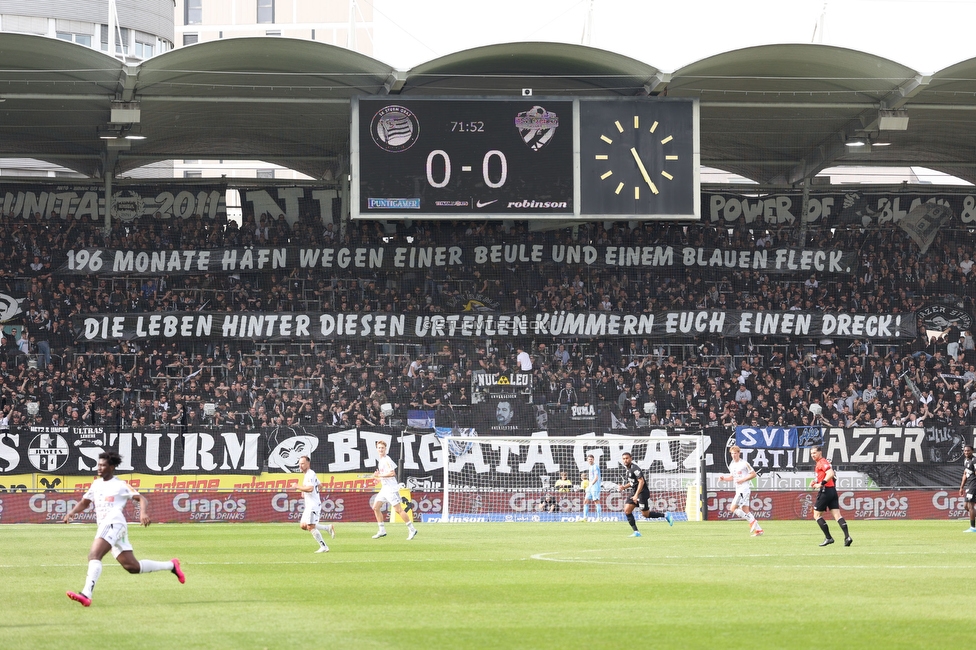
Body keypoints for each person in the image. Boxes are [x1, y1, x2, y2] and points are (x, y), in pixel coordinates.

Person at [63, 450, 185, 607]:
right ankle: (172, 565)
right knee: (132, 567)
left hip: (114, 522)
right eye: (98, 465)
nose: (99, 468)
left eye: (103, 465)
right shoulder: (96, 484)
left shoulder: (120, 485)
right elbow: (85, 502)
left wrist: (143, 513)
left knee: (94, 555)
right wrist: (72, 513)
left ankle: (86, 594)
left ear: (112, 467)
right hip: (108, 526)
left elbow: (141, 498)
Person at [618, 451, 673, 537]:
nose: (625, 460)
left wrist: (636, 495)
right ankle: (636, 532)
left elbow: (641, 481)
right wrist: (624, 487)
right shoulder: (627, 470)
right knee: (627, 510)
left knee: (645, 514)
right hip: (634, 492)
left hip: (642, 493)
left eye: (627, 458)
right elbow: (633, 482)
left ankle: (665, 515)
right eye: (624, 459)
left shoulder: (635, 468)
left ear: (631, 459)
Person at [371, 440, 418, 540]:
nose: (380, 450)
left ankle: (412, 529)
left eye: (382, 448)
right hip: (384, 489)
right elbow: (384, 476)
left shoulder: (387, 459)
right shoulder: (381, 461)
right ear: (376, 449)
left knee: (398, 510)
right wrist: (378, 478)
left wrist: (379, 475)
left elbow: (392, 473)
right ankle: (382, 530)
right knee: (376, 507)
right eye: (379, 448)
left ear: (385, 449)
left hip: (391, 489)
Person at [810, 445, 852, 547]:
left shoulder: (822, 462)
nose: (813, 455)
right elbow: (827, 475)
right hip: (832, 490)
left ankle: (829, 538)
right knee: (837, 515)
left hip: (825, 491)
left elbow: (830, 473)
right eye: (811, 453)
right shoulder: (820, 463)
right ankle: (847, 537)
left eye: (814, 453)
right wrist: (816, 481)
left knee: (816, 515)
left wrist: (821, 484)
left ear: (820, 452)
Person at [719, 445, 763, 536]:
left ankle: (752, 521)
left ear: (739, 453)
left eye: (735, 453)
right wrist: (724, 479)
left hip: (744, 489)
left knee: (733, 508)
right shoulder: (732, 464)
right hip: (738, 489)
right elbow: (732, 477)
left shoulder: (744, 463)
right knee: (745, 510)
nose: (733, 455)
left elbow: (754, 474)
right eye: (732, 453)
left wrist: (742, 480)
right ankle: (759, 530)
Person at [297, 455, 335, 552]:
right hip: (309, 505)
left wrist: (298, 486)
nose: (300, 466)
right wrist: (305, 491)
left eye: (302, 464)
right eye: (299, 463)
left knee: (310, 526)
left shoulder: (310, 474)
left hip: (313, 505)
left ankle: (324, 546)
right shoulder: (309, 474)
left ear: (308, 464)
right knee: (303, 525)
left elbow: (310, 488)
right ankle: (327, 528)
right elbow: (320, 485)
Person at [959, 444, 976, 532]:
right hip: (969, 485)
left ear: (972, 451)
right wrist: (961, 487)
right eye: (965, 451)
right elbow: (965, 474)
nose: (966, 452)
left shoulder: (974, 460)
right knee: (966, 506)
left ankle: (973, 528)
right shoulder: (966, 460)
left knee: (970, 506)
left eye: (968, 450)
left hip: (974, 485)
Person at [582, 453, 602, 522]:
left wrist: (591, 485)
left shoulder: (595, 466)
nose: (590, 460)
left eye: (591, 459)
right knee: (586, 501)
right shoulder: (590, 467)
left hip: (595, 486)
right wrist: (589, 486)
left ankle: (599, 518)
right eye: (589, 459)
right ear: (587, 460)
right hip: (590, 486)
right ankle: (585, 518)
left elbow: (596, 477)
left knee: (596, 501)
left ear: (593, 459)